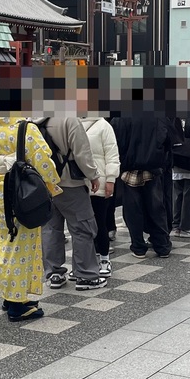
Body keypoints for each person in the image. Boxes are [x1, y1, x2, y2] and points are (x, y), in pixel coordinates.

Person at [0, 118, 62, 322]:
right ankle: (17, 304)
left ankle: (10, 296)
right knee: (21, 246)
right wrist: (52, 183)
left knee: (4, 241)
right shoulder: (25, 128)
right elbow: (43, 160)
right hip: (19, 190)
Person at [35, 118, 104, 291]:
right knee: (83, 227)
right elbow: (82, 152)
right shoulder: (69, 119)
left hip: (43, 184)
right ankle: (85, 275)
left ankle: (54, 273)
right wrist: (93, 175)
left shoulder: (31, 119)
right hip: (70, 183)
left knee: (50, 229)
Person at [112, 115, 175, 258]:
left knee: (132, 210)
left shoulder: (121, 119)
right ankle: (162, 245)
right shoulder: (159, 117)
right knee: (157, 208)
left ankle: (138, 246)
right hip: (153, 168)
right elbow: (168, 141)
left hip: (129, 169)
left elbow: (116, 144)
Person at [82, 116, 119, 277]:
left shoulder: (104, 126)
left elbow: (112, 154)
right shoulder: (73, 123)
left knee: (100, 223)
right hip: (79, 183)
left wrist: (111, 179)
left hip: (100, 182)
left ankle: (104, 259)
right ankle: (87, 262)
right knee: (82, 227)